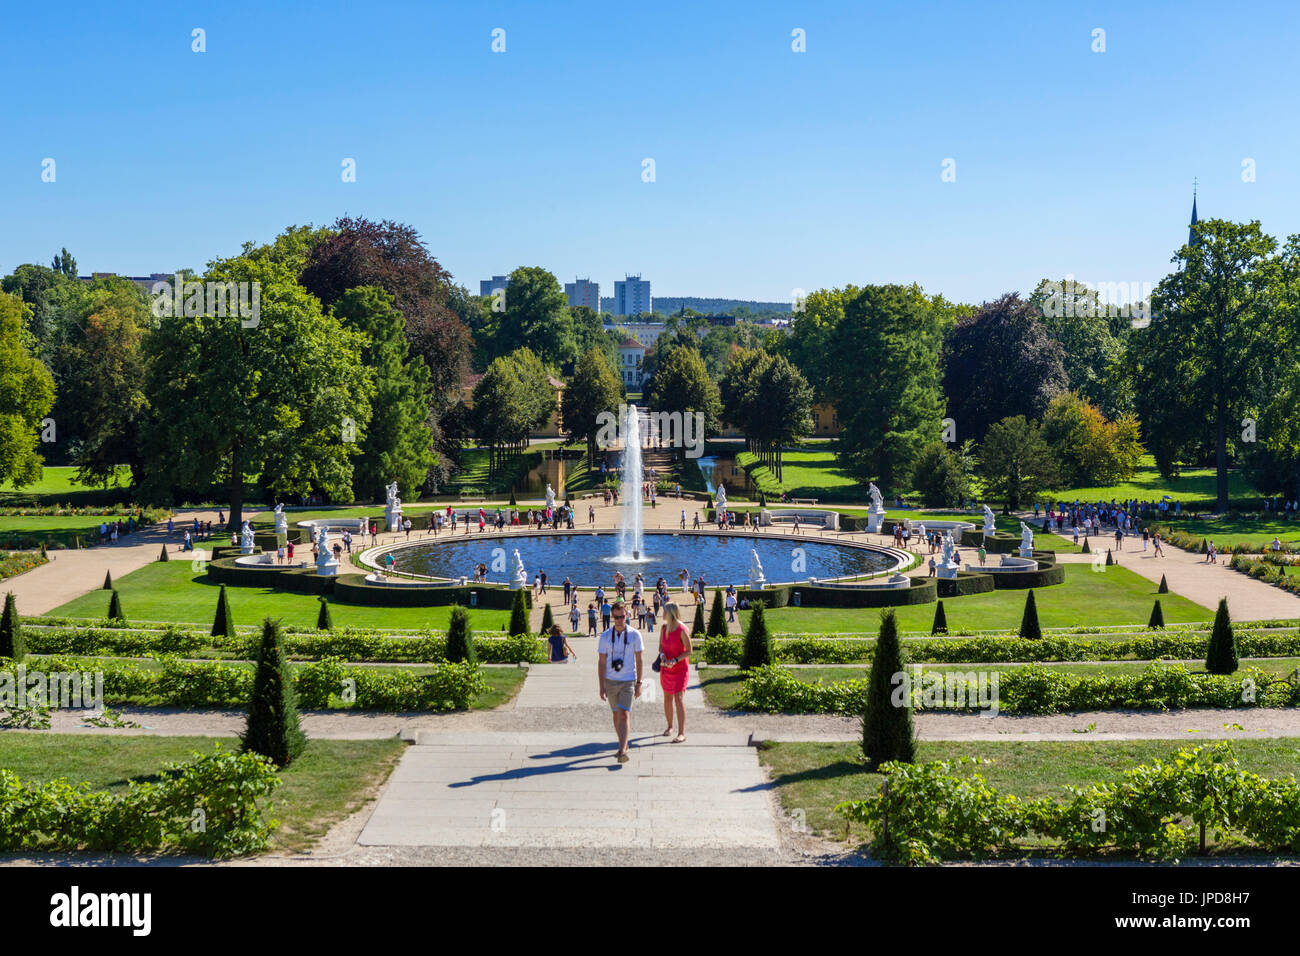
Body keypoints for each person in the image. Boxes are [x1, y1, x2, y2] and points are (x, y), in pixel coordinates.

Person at [598, 600, 644, 762]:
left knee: (624, 714)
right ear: (612, 617)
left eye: (622, 616)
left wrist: (639, 683)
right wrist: (601, 686)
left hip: (628, 681)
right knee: (616, 714)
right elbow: (602, 662)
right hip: (610, 681)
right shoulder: (605, 636)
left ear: (627, 615)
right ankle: (622, 743)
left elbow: (639, 660)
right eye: (616, 617)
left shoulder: (634, 634)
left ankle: (622, 749)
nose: (619, 620)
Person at [657, 602, 691, 743]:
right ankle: (670, 726)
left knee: (679, 699)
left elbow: (689, 651)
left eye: (664, 611)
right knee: (667, 698)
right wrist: (663, 656)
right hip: (666, 669)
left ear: (670, 613)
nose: (662, 614)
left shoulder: (682, 629)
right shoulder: (664, 628)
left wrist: (676, 660)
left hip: (680, 670)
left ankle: (681, 733)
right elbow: (660, 647)